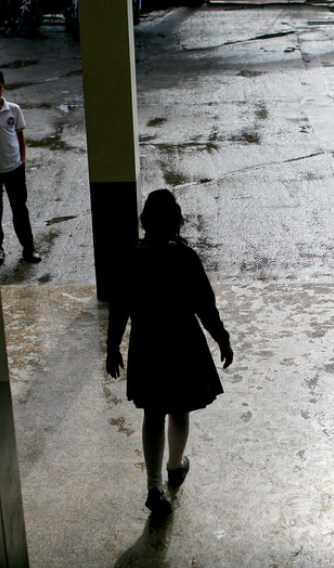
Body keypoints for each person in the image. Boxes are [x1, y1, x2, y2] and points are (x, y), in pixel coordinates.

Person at [105, 189, 234, 517]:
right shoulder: (185, 257)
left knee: (153, 412)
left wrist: (112, 346)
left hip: (147, 344)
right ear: (176, 223)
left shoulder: (131, 258)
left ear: (145, 221)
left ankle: (154, 485)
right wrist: (222, 338)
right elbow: (206, 306)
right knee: (179, 409)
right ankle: (175, 467)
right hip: (183, 343)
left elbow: (119, 308)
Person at [0, 68, 41, 266]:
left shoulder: (13, 110)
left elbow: (20, 136)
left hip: (14, 168)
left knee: (19, 209)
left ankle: (29, 248)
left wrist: (22, 159)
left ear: (4, 87)